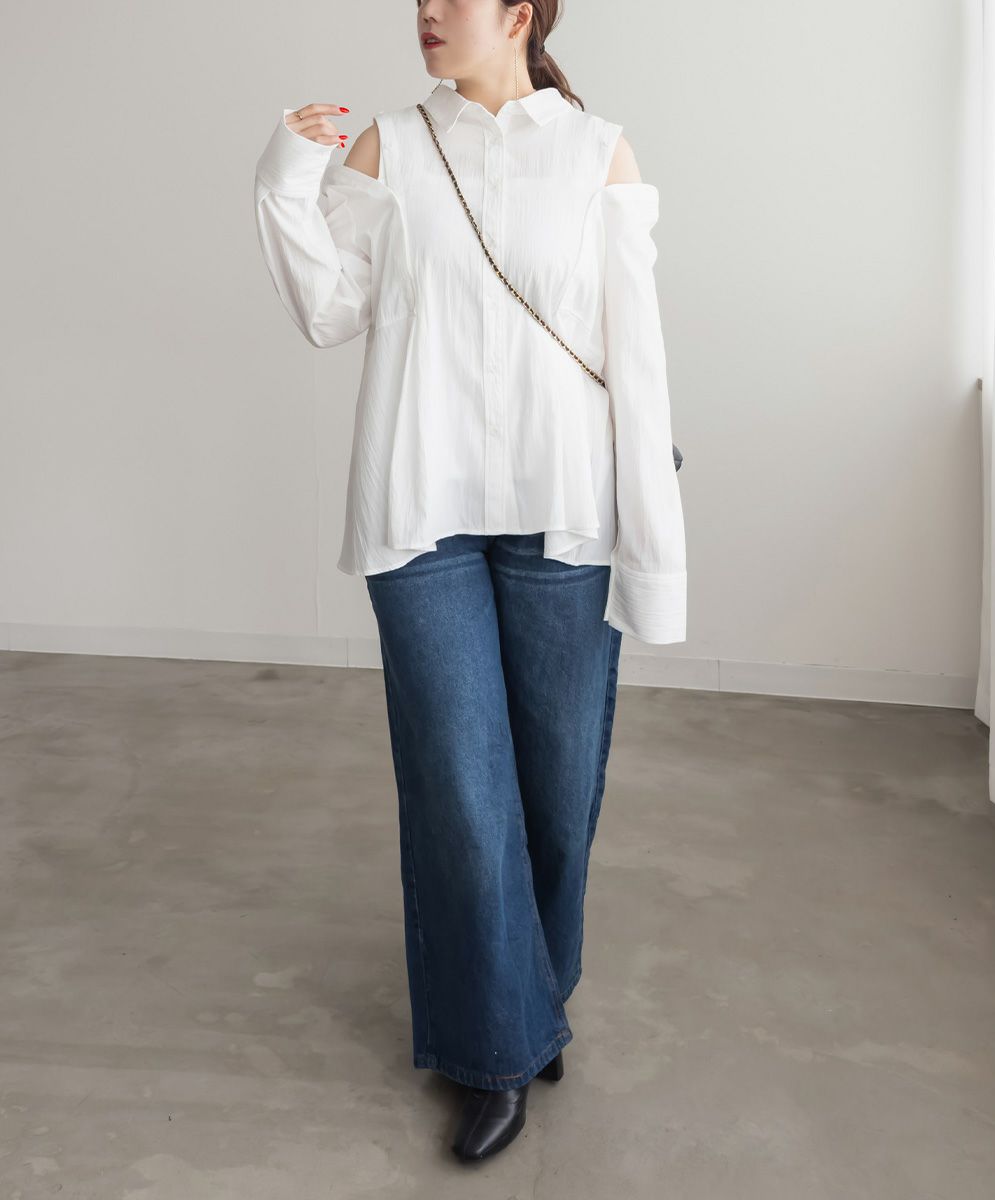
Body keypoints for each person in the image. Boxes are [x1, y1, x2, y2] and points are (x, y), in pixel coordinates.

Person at [253, 0, 687, 1163]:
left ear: (519, 14)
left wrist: (655, 543)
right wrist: (283, 180)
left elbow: (637, 359)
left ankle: (534, 997)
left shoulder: (597, 153)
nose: (428, 14)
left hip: (566, 516)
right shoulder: (390, 144)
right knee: (461, 791)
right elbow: (330, 312)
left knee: (556, 793)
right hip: (421, 514)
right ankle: (497, 1051)